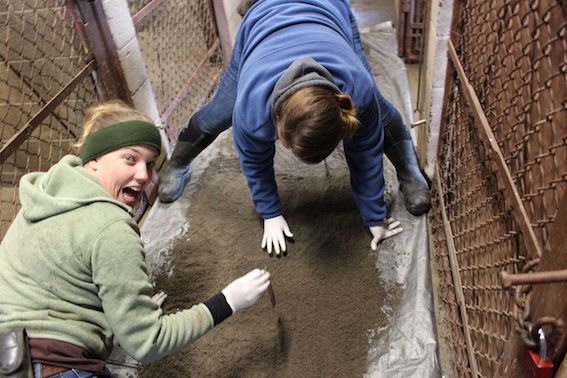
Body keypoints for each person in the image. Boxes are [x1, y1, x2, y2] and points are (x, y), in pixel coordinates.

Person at [0, 101, 270, 378]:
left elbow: (63, 278)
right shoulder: (110, 227)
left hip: (10, 355)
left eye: (150, 163)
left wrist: (122, 316)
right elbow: (147, 342)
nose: (144, 175)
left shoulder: (47, 194)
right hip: (57, 367)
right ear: (94, 158)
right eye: (130, 158)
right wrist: (227, 302)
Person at [158, 0, 431, 255]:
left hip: (328, 10)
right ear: (275, 126)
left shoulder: (357, 88)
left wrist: (374, 217)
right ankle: (178, 162)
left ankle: (409, 170)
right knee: (217, 115)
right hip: (262, 22)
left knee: (379, 111)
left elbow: (366, 153)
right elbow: (254, 161)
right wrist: (270, 214)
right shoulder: (252, 107)